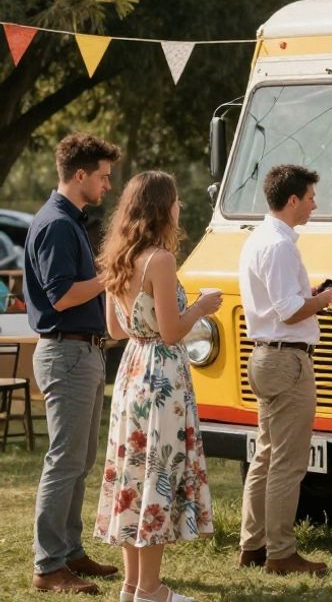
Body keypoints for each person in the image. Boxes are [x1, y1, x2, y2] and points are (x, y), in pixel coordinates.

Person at [93, 171, 220, 602]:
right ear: (163, 206)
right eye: (177, 199)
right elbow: (171, 332)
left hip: (131, 372)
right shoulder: (159, 260)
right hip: (161, 375)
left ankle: (132, 586)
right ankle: (151, 589)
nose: (180, 206)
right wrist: (201, 307)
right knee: (159, 473)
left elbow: (115, 327)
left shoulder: (119, 257)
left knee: (135, 474)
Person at [23, 132, 122, 594]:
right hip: (66, 351)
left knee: (78, 460)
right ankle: (48, 566)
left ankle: (70, 552)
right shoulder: (58, 225)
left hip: (80, 351)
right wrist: (110, 276)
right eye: (102, 177)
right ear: (79, 174)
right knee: (65, 461)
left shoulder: (68, 221)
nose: (106, 185)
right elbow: (62, 296)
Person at [237, 165, 332, 575]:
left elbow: (286, 303)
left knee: (266, 454)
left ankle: (253, 544)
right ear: (292, 200)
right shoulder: (279, 245)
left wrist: (308, 297)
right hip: (286, 358)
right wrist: (327, 298)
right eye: (311, 197)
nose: (315, 204)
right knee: (288, 461)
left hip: (267, 354)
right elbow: (290, 310)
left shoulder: (260, 239)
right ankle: (280, 552)